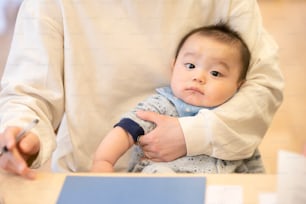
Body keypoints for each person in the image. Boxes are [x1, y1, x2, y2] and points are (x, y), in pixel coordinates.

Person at [0, 0, 283, 179]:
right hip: (91, 175)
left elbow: (263, 85)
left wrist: (191, 134)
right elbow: (29, 92)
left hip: (215, 174)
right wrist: (23, 133)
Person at [91, 23, 265, 173]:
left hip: (213, 188)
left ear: (238, 85)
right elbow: (124, 131)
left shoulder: (231, 119)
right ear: (173, 67)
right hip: (160, 180)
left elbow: (248, 157)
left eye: (215, 73)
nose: (199, 77)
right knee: (157, 173)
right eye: (190, 66)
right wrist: (103, 161)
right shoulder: (162, 106)